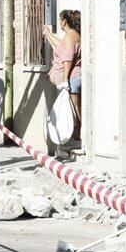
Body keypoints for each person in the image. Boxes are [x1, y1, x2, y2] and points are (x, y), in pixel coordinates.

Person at [44, 9, 84, 150]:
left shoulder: (69, 37)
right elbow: (60, 45)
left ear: (65, 21)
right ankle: (77, 137)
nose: (60, 22)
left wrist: (65, 80)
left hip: (72, 79)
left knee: (74, 110)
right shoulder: (74, 36)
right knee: (74, 109)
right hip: (75, 78)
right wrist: (48, 34)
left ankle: (78, 138)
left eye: (61, 19)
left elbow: (67, 59)